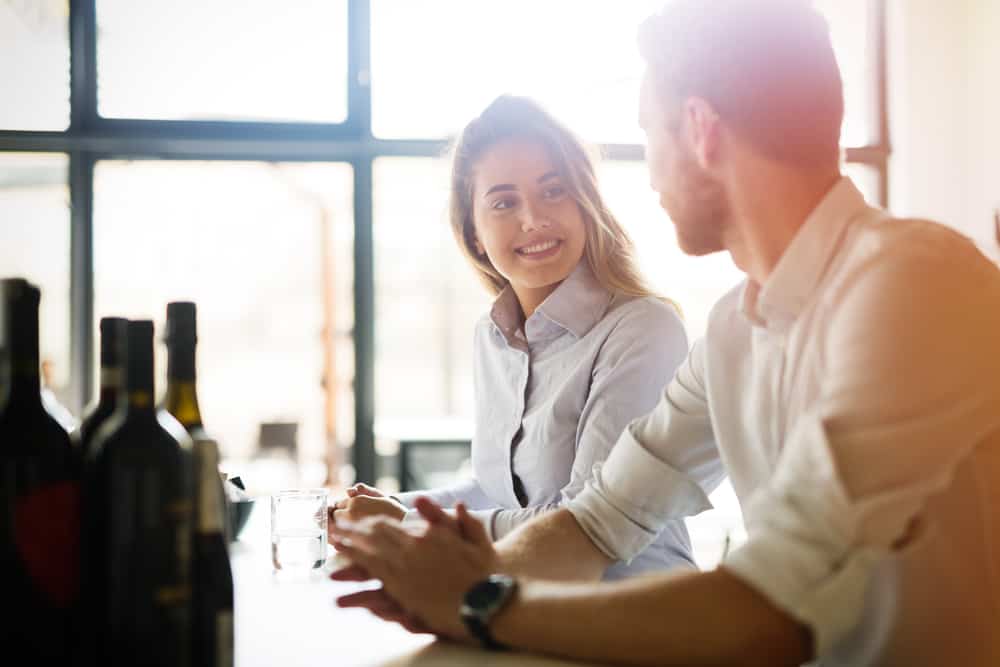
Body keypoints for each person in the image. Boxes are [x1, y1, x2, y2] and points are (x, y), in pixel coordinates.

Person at [329, 1, 1000, 665]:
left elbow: (772, 611)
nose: (648, 175)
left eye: (650, 132)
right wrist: (450, 576)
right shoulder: (735, 330)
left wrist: (479, 600)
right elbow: (594, 520)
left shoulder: (913, 284)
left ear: (701, 130)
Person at [332, 95, 717, 578]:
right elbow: (498, 491)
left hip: (631, 616)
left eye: (554, 191)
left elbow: (576, 525)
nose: (533, 219)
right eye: (503, 202)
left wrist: (403, 522)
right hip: (525, 609)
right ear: (473, 232)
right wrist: (389, 506)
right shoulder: (491, 336)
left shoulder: (643, 329)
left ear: (585, 204)